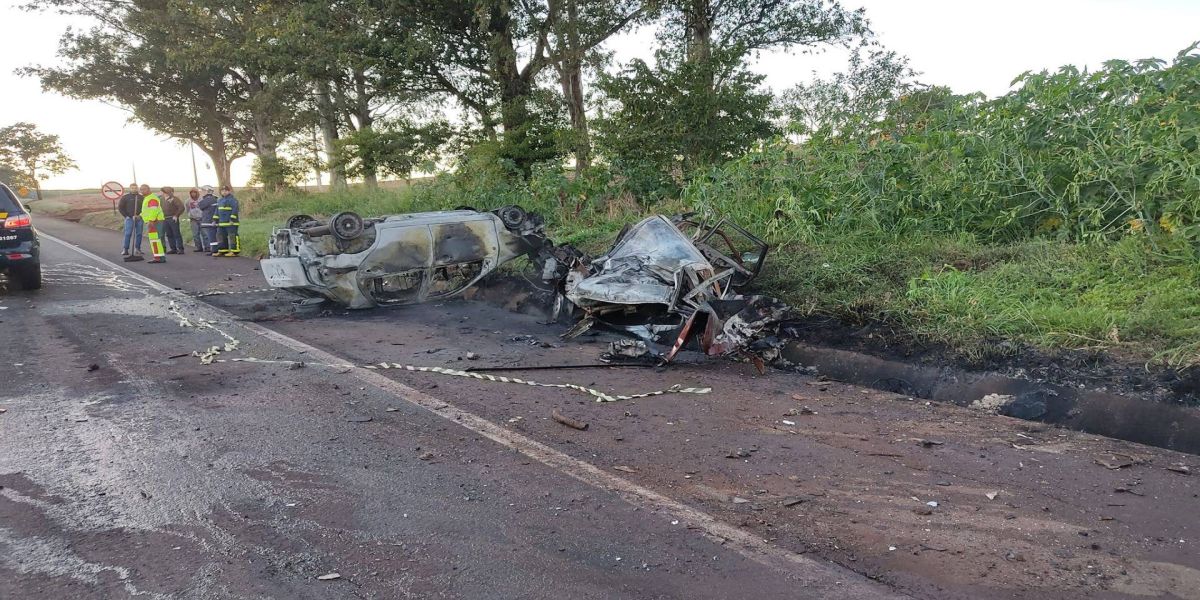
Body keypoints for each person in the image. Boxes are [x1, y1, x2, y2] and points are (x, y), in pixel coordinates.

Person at [139, 184, 167, 263]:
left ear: (148, 189)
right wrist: (140, 215)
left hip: (155, 221)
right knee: (155, 240)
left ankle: (158, 258)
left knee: (155, 240)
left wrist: (151, 220)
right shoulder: (148, 198)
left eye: (143, 189)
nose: (142, 191)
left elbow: (154, 210)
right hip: (153, 221)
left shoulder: (152, 198)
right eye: (141, 189)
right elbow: (147, 210)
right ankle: (159, 257)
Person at [117, 183, 144, 259]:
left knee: (139, 234)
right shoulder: (125, 197)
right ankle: (125, 249)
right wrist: (127, 216)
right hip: (129, 218)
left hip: (139, 218)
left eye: (135, 188)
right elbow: (120, 208)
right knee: (128, 233)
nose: (134, 189)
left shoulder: (141, 197)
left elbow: (145, 208)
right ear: (130, 188)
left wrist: (140, 216)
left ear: (137, 188)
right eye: (132, 188)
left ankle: (137, 249)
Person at [213, 185, 240, 257]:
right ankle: (222, 251)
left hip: (231, 223)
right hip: (221, 223)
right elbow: (217, 211)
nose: (224, 192)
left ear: (229, 191)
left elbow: (235, 210)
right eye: (222, 191)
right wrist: (215, 220)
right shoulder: (219, 200)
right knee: (220, 236)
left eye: (225, 191)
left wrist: (232, 219)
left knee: (232, 237)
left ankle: (234, 251)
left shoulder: (233, 200)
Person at [160, 186, 186, 254]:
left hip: (172, 218)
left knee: (176, 233)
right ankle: (173, 248)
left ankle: (180, 248)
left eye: (165, 191)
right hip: (164, 218)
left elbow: (181, 207)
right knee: (169, 234)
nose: (164, 193)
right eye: (163, 191)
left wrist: (176, 215)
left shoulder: (174, 199)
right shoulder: (161, 199)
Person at [198, 185, 219, 255]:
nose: (201, 192)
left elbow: (200, 205)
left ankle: (214, 250)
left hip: (209, 221)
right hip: (213, 220)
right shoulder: (215, 198)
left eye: (203, 191)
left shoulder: (208, 199)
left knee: (211, 236)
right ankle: (215, 249)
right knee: (213, 236)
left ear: (207, 191)